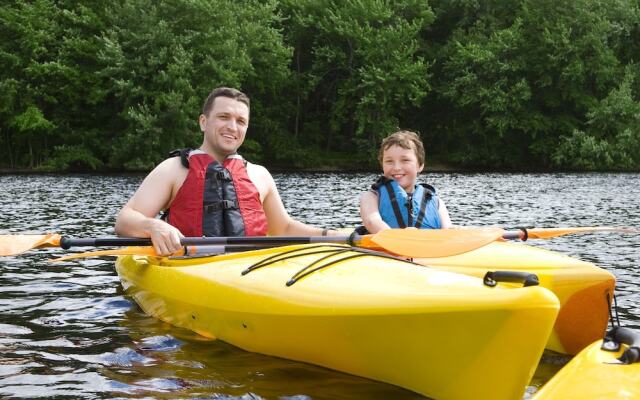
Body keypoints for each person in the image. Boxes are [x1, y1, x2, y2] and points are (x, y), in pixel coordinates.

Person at [115, 87, 336, 256]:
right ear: (203, 122)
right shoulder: (173, 169)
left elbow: (284, 228)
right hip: (188, 267)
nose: (232, 127)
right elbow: (124, 220)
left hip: (248, 268)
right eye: (224, 117)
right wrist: (153, 226)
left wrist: (330, 235)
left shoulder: (260, 175)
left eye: (241, 121)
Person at [359, 130, 452, 234]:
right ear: (382, 166)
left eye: (405, 160)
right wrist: (402, 237)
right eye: (389, 161)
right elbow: (372, 222)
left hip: (427, 247)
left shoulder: (436, 202)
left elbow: (448, 231)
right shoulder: (371, 197)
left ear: (420, 165)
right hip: (385, 247)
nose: (397, 168)